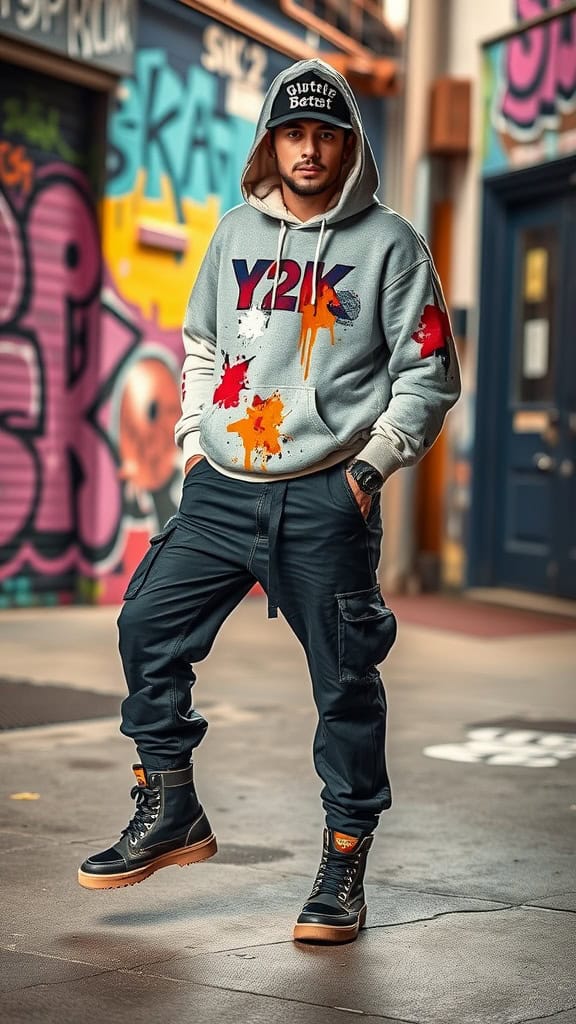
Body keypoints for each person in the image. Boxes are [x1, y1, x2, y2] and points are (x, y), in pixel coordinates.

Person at [78, 59, 461, 944]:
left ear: (349, 143)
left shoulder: (392, 245)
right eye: (295, 132)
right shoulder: (232, 236)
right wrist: (190, 446)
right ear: (271, 142)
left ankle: (343, 857)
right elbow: (202, 345)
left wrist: (365, 474)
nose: (310, 148)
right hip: (221, 489)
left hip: (324, 496)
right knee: (146, 628)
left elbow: (429, 373)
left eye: (327, 133)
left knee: (345, 685)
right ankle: (170, 802)